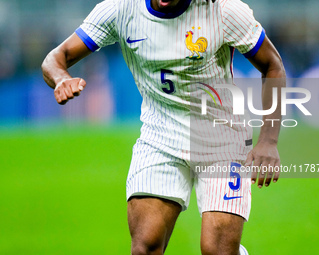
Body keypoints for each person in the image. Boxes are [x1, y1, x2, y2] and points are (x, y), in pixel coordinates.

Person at [41, 0, 285, 254]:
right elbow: (56, 57)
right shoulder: (120, 9)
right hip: (160, 137)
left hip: (222, 139)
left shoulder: (223, 10)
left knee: (218, 250)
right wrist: (61, 78)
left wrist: (269, 140)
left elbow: (272, 65)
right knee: (145, 247)